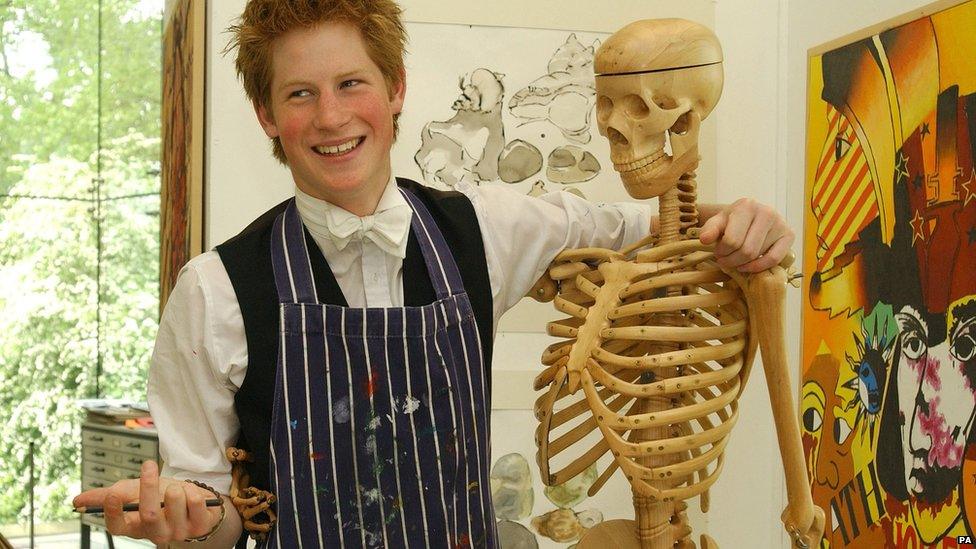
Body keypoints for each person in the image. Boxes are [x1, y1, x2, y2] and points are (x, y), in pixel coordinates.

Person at [72, 0, 795, 547]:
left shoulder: (486, 226)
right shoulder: (213, 291)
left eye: (351, 83)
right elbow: (221, 515)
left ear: (395, 90)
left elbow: (658, 229)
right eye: (299, 94)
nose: (330, 117)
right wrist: (193, 522)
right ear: (266, 114)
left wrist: (745, 223)